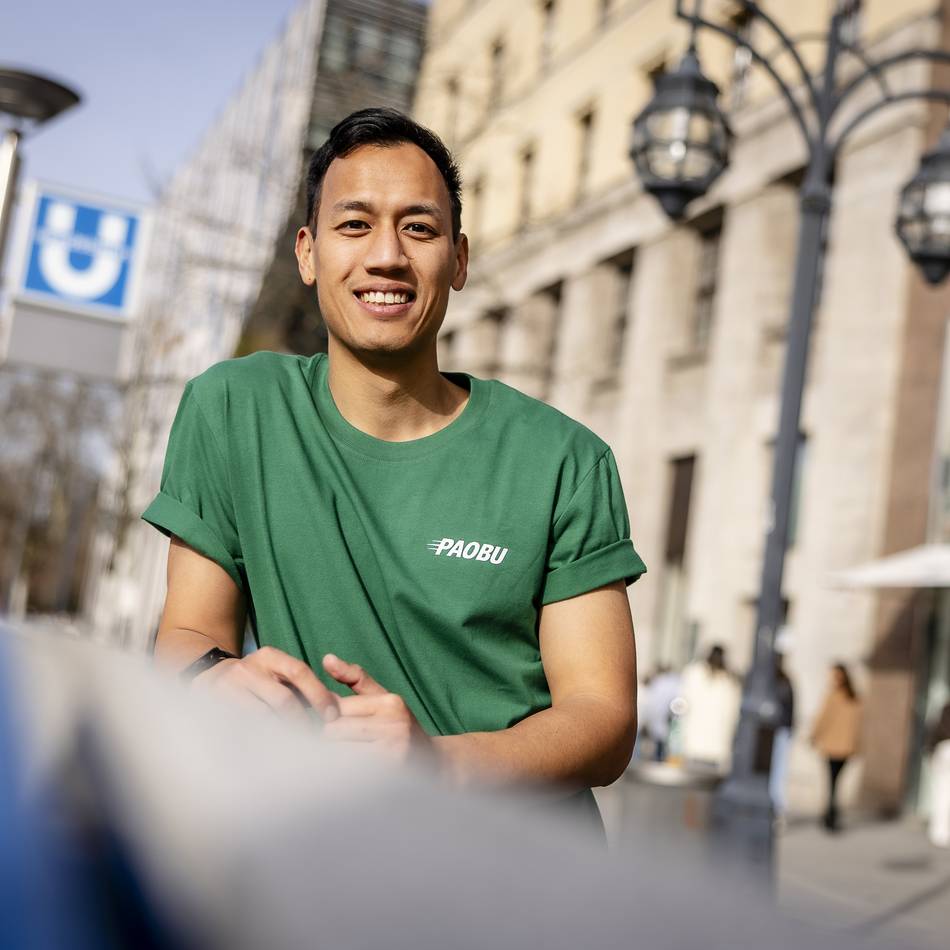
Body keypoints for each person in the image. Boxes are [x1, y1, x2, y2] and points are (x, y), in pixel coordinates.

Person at [142, 108, 647, 830]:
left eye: (419, 228)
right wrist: (213, 677)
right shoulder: (233, 409)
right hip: (317, 853)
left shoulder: (563, 459)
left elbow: (603, 721)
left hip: (521, 883)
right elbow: (188, 631)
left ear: (460, 260)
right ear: (308, 253)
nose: (386, 256)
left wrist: (437, 766)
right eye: (355, 226)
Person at [809, 663, 861, 832]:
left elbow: (822, 719)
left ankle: (830, 815)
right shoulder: (854, 697)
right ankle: (831, 814)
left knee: (832, 783)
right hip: (843, 747)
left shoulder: (835, 696)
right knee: (835, 783)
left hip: (834, 747)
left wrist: (813, 736)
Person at [679, 644, 740, 772]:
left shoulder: (694, 673)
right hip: (717, 746)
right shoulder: (730, 680)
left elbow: (682, 704)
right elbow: (733, 714)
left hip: (693, 742)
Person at [767, 651, 795, 819]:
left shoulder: (784, 681)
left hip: (780, 731)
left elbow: (790, 708)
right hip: (771, 732)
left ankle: (777, 808)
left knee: (779, 771)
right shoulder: (768, 681)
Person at [643, 665, 681, 762]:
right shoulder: (673, 682)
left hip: (660, 723)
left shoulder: (658, 683)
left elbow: (651, 705)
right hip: (667, 724)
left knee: (658, 754)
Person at [926, 701, 950, 848]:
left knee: (941, 794)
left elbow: (935, 731)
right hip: (944, 750)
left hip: (942, 750)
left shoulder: (945, 708)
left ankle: (938, 832)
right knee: (945, 794)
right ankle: (941, 833)